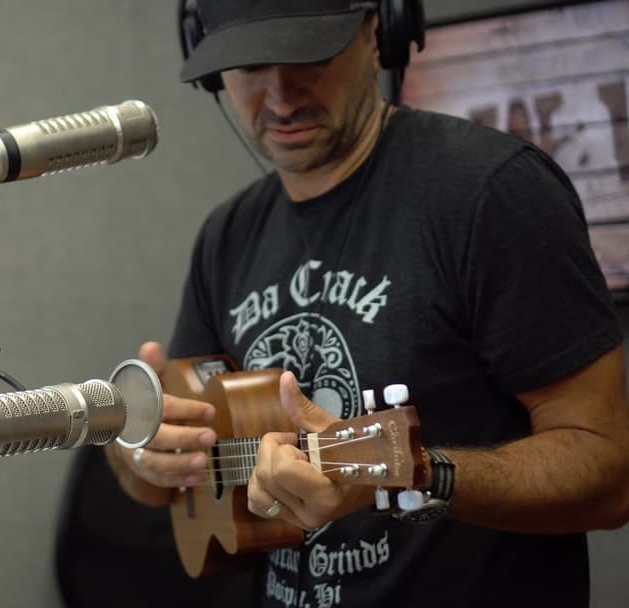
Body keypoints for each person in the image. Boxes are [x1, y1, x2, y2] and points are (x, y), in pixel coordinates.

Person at [102, 0, 629, 606]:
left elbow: (607, 473)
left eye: (307, 55)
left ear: (378, 31)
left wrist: (420, 473)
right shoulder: (228, 235)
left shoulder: (490, 194)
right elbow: (171, 479)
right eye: (249, 66)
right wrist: (140, 452)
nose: (280, 96)